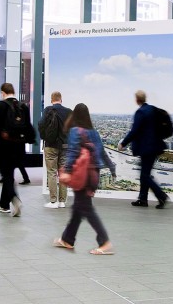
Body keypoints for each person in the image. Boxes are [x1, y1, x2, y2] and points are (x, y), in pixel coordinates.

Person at [53, 103, 114, 255]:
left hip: (83, 175)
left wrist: (66, 171)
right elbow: (102, 152)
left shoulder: (75, 131)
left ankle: (104, 242)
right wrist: (111, 167)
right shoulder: (94, 132)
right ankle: (67, 239)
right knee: (78, 208)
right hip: (94, 174)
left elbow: (73, 152)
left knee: (86, 208)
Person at [118, 90, 168, 209]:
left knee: (145, 175)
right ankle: (143, 199)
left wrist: (123, 143)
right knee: (144, 174)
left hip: (147, 148)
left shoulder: (140, 112)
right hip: (155, 146)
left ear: (136, 100)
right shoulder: (152, 110)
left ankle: (161, 195)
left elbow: (134, 131)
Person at [0, 82, 26, 216]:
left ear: (3, 93)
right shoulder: (22, 106)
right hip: (18, 146)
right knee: (9, 174)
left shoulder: (0, 105)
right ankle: (4, 205)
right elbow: (28, 127)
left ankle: (15, 199)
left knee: (6, 175)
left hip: (3, 146)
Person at [39, 91, 72, 208]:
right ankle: (62, 201)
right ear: (61, 100)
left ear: (51, 100)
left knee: (52, 172)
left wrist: (44, 137)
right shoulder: (68, 111)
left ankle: (53, 201)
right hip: (65, 146)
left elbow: (41, 124)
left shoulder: (48, 110)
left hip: (50, 146)